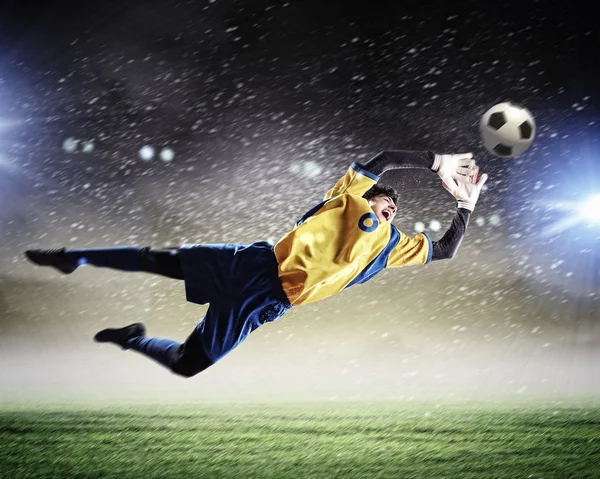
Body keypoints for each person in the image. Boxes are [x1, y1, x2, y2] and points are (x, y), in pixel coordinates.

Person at [25, 150, 488, 378]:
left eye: (392, 210)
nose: (387, 210)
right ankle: (72, 258)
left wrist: (466, 208)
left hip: (268, 303)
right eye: (382, 202)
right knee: (157, 261)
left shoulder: (389, 247)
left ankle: (134, 339)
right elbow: (383, 160)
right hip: (251, 266)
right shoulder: (346, 200)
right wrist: (436, 162)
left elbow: (446, 250)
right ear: (364, 197)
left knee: (189, 366)